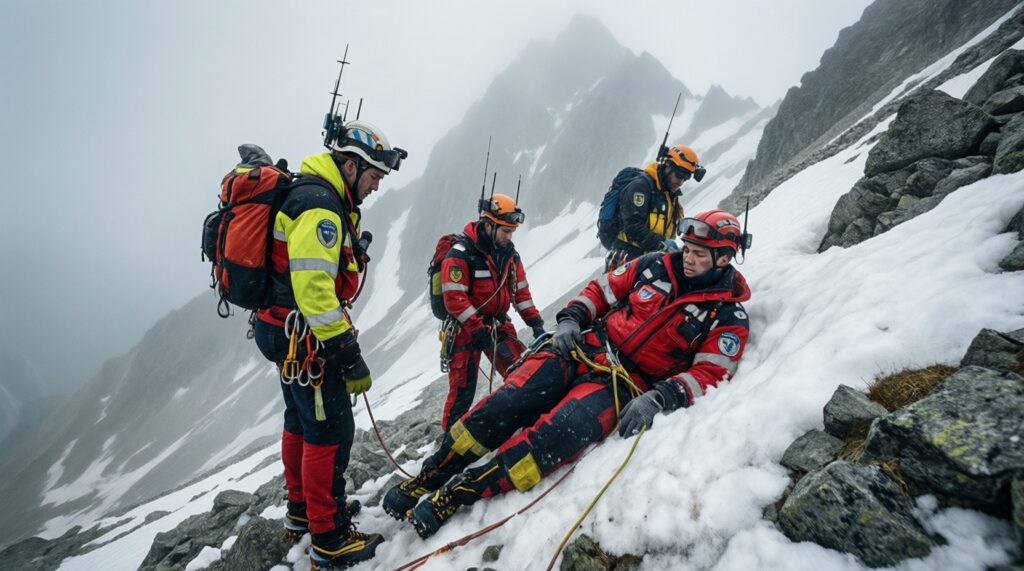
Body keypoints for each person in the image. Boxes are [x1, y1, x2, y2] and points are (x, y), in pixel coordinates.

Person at [382, 208, 751, 538]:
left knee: (551, 441)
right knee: (506, 402)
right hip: (584, 346)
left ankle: (459, 493)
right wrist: (572, 317)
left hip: (621, 385)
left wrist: (660, 397)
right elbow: (604, 289)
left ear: (723, 258)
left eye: (699, 255)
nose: (687, 258)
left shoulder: (726, 317)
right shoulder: (655, 264)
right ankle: (426, 479)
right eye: (687, 249)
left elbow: (708, 372)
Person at [252, 120, 406, 568]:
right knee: (330, 429)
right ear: (352, 165)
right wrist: (347, 354)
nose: (376, 187)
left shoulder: (314, 193)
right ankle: (330, 535)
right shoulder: (321, 207)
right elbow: (315, 290)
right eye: (375, 176)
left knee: (300, 420)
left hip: (281, 330)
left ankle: (303, 512)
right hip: (306, 338)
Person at [437, 194, 546, 431]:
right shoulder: (460, 254)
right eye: (505, 230)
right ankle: (449, 441)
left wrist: (535, 322)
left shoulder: (510, 256)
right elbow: (454, 298)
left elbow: (522, 294)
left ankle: (529, 421)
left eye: (512, 231)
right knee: (462, 390)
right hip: (465, 330)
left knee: (521, 373)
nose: (509, 236)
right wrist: (477, 329)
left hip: (497, 325)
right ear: (488, 224)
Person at [606, 145, 704, 270]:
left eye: (685, 178)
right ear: (668, 166)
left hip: (653, 258)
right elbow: (632, 226)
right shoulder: (641, 188)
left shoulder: (670, 195)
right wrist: (661, 244)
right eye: (679, 175)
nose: (681, 182)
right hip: (628, 258)